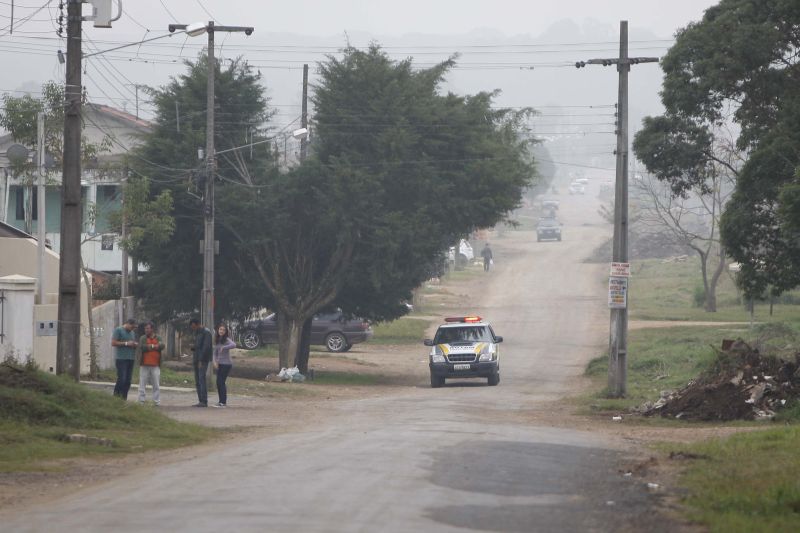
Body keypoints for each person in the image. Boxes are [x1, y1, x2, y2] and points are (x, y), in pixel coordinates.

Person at [137, 322, 164, 406]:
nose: (146, 330)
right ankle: (141, 401)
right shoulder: (143, 338)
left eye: (148, 328)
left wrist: (151, 346)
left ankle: (156, 401)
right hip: (144, 364)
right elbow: (143, 347)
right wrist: (154, 346)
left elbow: (162, 346)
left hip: (155, 365)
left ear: (152, 329)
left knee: (156, 384)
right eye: (145, 328)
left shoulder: (158, 337)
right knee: (142, 383)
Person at [111, 318, 138, 400]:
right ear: (128, 324)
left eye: (134, 328)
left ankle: (123, 398)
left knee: (128, 381)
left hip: (130, 358)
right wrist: (126, 343)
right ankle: (116, 397)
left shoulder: (132, 333)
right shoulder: (118, 330)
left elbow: (131, 343)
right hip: (121, 359)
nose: (132, 329)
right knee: (122, 379)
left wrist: (134, 345)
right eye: (132, 327)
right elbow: (113, 343)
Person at [189, 317, 213, 407]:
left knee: (201, 379)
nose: (193, 328)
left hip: (202, 360)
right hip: (196, 358)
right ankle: (200, 400)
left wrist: (200, 360)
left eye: (194, 327)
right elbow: (198, 346)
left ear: (198, 324)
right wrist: (193, 347)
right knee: (197, 380)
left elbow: (206, 347)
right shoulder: (197, 333)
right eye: (192, 327)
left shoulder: (206, 332)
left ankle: (204, 401)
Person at [212, 323, 236, 408]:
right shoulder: (217, 339)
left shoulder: (226, 339)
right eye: (220, 329)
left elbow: (234, 345)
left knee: (220, 382)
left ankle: (223, 402)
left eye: (223, 330)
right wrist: (214, 362)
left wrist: (224, 347)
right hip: (219, 364)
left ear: (225, 332)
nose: (221, 331)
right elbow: (214, 353)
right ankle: (221, 401)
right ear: (218, 330)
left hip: (226, 364)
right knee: (218, 382)